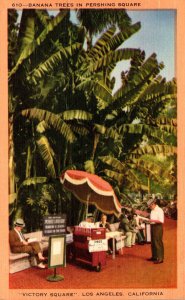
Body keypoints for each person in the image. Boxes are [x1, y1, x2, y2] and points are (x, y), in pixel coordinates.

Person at [146, 198, 164, 264]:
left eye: (150, 206)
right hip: (153, 226)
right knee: (153, 242)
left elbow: (161, 221)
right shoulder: (152, 210)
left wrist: (151, 220)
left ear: (153, 204)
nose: (150, 207)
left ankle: (160, 258)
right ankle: (154, 256)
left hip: (158, 227)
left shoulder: (159, 210)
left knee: (158, 242)